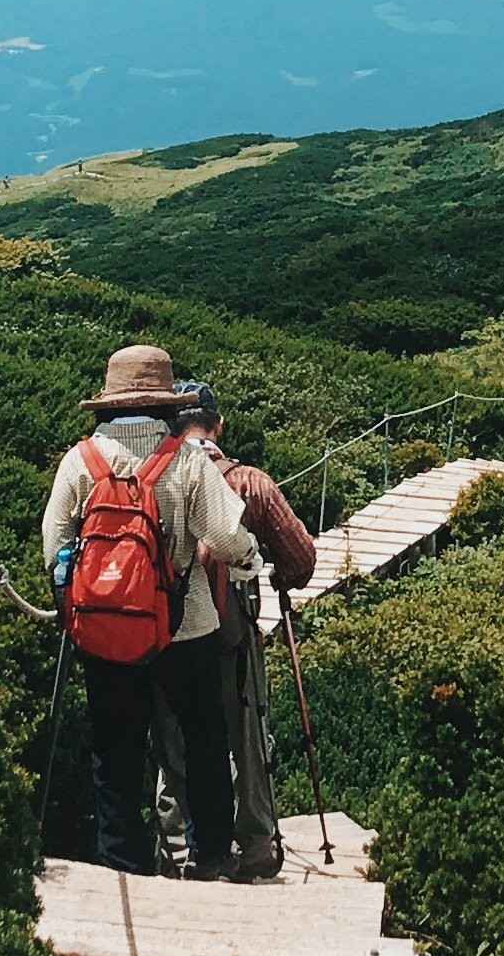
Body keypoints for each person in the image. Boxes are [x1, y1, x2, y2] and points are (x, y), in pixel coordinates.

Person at [42, 343, 256, 878]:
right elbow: (226, 535)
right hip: (187, 626)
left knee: (115, 750)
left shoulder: (80, 461)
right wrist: (251, 562)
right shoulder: (185, 459)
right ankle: (210, 855)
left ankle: (122, 861)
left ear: (109, 403)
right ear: (166, 404)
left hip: (106, 629)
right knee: (203, 741)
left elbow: (53, 546)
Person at [173, 384, 317, 881]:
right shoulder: (249, 483)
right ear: (219, 424)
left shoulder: (150, 475)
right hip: (230, 632)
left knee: (175, 735)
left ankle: (177, 844)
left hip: (165, 632)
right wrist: (273, 572)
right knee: (246, 733)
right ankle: (255, 839)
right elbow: (301, 560)